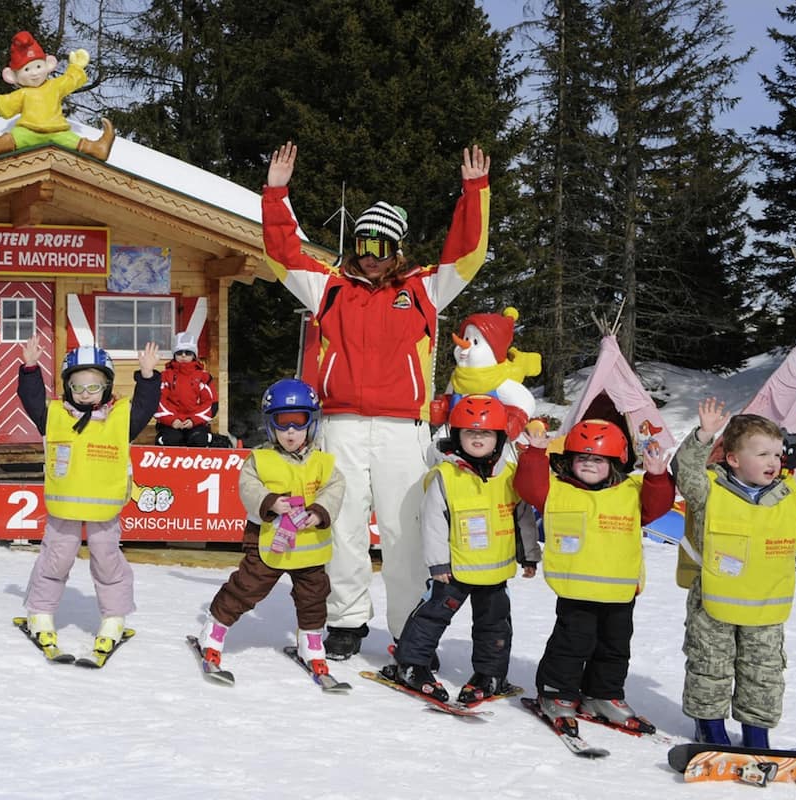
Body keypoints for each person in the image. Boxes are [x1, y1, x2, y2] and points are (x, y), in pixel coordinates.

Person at [263, 140, 491, 659]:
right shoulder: (329, 289)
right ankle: (346, 620)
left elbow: (467, 253)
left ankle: (411, 627)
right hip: (341, 423)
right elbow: (283, 254)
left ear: (397, 250)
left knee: (404, 530)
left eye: (380, 248)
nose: (368, 256)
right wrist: (277, 196)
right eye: (362, 244)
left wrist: (474, 191)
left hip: (401, 428)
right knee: (342, 525)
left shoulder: (425, 290)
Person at [515, 418, 675, 736]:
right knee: (570, 645)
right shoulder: (556, 489)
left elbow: (658, 505)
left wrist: (657, 476)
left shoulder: (631, 490)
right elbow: (528, 487)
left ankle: (603, 695)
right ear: (569, 460)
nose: (589, 463)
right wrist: (535, 453)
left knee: (614, 648)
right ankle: (556, 693)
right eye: (582, 457)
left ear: (613, 462)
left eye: (598, 458)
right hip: (575, 589)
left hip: (619, 592)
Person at [387, 395, 539, 704]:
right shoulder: (446, 476)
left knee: (495, 627)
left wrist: (528, 555)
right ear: (457, 436)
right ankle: (412, 663)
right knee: (431, 617)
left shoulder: (510, 476)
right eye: (470, 433)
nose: (478, 438)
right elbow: (433, 523)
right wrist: (438, 563)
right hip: (453, 570)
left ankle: (490, 673)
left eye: (485, 433)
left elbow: (522, 516)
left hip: (495, 570)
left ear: (499, 437)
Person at [673, 399, 796, 748]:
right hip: (714, 605)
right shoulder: (710, 489)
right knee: (710, 667)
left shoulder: (790, 493)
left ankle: (756, 735)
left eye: (777, 455)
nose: (773, 462)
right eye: (762, 454)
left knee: (763, 675)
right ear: (733, 458)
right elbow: (685, 471)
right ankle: (710, 729)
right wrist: (703, 435)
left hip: (765, 608)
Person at [15, 335, 160, 656]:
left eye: (93, 386)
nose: (85, 393)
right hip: (63, 509)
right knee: (55, 560)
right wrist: (29, 369)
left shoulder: (121, 419)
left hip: (105, 514)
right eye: (78, 386)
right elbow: (32, 399)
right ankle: (40, 612)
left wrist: (147, 376)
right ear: (67, 386)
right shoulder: (54, 416)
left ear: (106, 387)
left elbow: (147, 406)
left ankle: (114, 618)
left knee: (107, 563)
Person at [195, 378, 345, 675]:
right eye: (283, 422)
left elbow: (335, 488)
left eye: (298, 422)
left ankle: (311, 641)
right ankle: (214, 629)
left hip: (308, 547)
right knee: (247, 587)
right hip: (268, 543)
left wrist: (319, 511)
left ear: (311, 423)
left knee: (314, 595)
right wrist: (270, 501)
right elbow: (247, 487)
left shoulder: (323, 462)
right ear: (271, 424)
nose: (291, 431)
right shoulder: (260, 459)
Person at [0, 31, 114, 160]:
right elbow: (9, 101)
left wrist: (76, 67)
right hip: (29, 130)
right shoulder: (23, 93)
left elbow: (69, 81)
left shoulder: (54, 86)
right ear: (12, 76)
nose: (34, 73)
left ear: (48, 65)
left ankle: (97, 148)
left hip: (57, 131)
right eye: (27, 69)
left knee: (74, 141)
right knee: (15, 137)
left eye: (38, 67)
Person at [155, 331, 217, 447]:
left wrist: (194, 420)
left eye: (188, 352)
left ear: (194, 355)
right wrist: (172, 420)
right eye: (179, 352)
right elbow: (158, 401)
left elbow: (211, 404)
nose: (183, 355)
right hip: (171, 423)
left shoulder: (204, 377)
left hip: (195, 423)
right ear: (174, 355)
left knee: (198, 439)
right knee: (172, 439)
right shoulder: (165, 376)